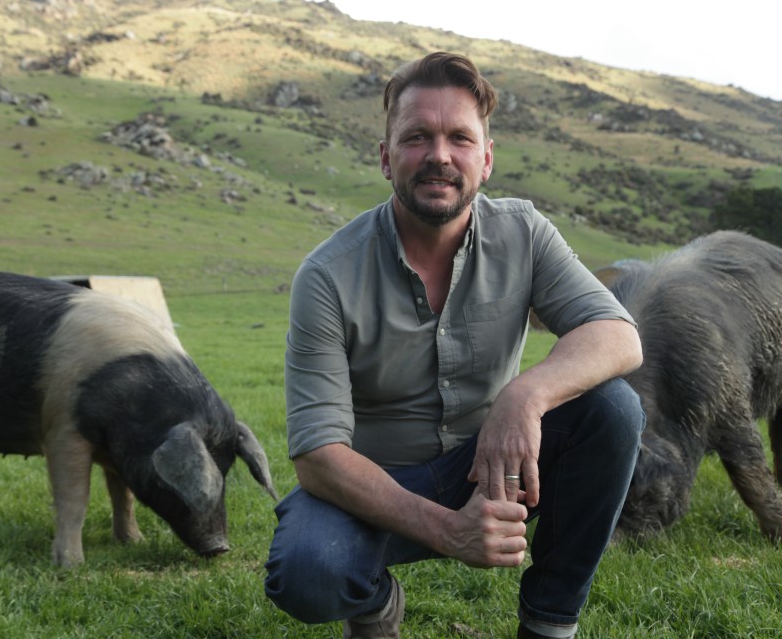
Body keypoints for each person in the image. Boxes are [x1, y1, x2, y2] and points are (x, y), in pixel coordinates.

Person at [263, 51, 645, 639]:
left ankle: (548, 625)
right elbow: (318, 456)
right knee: (309, 572)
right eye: (417, 137)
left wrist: (525, 396)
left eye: (459, 138)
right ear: (386, 157)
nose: (439, 155)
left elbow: (618, 335)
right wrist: (448, 531)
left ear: (486, 159)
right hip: (380, 486)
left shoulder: (525, 232)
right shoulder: (328, 274)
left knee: (613, 408)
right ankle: (372, 599)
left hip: (495, 467)